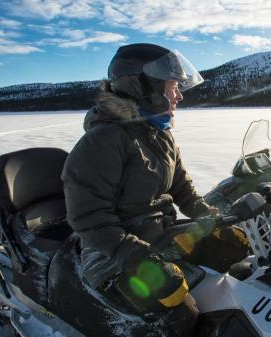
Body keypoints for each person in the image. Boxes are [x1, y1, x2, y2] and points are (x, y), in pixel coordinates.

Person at [61, 43, 246, 336]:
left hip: (157, 238)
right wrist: (135, 256)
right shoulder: (102, 142)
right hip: (111, 254)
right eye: (173, 86)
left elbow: (181, 186)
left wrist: (206, 215)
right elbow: (89, 219)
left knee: (235, 253)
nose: (180, 96)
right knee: (180, 312)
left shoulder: (160, 134)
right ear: (142, 87)